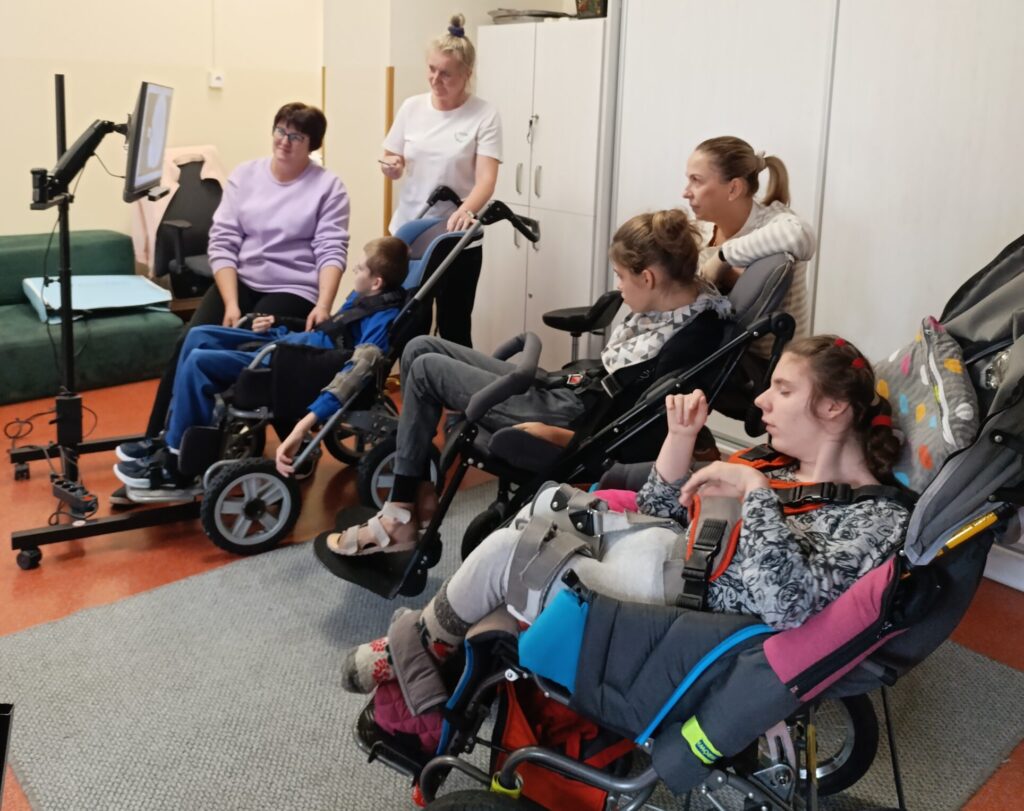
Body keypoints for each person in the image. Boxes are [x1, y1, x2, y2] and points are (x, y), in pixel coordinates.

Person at [340, 334, 909, 694]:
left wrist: (754, 491)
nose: (761, 401)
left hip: (683, 614)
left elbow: (789, 606)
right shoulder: (776, 462)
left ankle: (413, 648)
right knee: (545, 508)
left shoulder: (874, 521)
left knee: (514, 552)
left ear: (833, 407)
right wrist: (680, 440)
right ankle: (436, 652)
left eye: (782, 390)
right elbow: (662, 508)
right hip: (656, 551)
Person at [324, 208, 733, 557]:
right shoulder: (681, 303)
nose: (618, 288)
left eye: (620, 276)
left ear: (648, 277)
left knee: (427, 370)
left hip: (572, 418)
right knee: (419, 347)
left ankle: (399, 517)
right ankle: (418, 493)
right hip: (571, 390)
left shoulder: (690, 341)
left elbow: (640, 436)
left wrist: (558, 437)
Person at [116, 102, 351, 473]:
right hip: (241, 280)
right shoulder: (246, 175)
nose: (284, 141)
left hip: (294, 288)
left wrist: (323, 304)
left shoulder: (328, 187)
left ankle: (281, 439)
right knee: (189, 340)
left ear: (312, 145)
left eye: (296, 137)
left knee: (245, 350)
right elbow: (223, 242)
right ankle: (159, 437)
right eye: (280, 131)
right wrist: (230, 303)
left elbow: (331, 250)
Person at [113, 238, 407, 492]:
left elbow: (357, 370)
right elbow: (329, 330)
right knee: (198, 334)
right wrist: (279, 322)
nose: (354, 272)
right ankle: (169, 437)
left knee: (199, 363)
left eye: (359, 269)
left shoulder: (381, 319)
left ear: (376, 282)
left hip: (298, 364)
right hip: (293, 342)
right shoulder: (363, 297)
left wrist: (308, 421)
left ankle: (178, 463)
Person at [380, 13, 501, 347]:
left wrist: (466, 210)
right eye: (431, 69)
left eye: (446, 73)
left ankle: (454, 381)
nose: (435, 79)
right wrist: (392, 167)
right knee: (408, 325)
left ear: (467, 74)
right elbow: (393, 157)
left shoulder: (484, 114)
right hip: (410, 234)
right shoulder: (412, 108)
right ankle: (414, 379)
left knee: (454, 327)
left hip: (456, 240)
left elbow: (486, 179)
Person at [683, 135, 816, 354]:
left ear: (734, 189)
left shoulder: (775, 222)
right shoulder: (704, 229)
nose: (686, 192)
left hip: (766, 363)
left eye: (696, 180)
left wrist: (723, 257)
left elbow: (801, 236)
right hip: (721, 356)